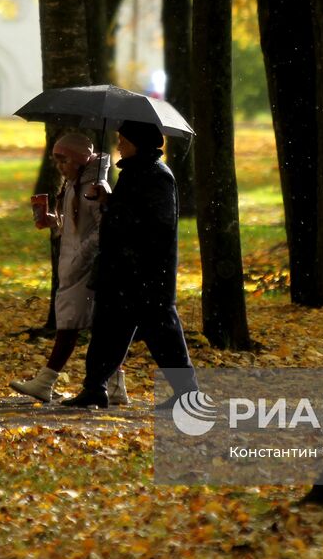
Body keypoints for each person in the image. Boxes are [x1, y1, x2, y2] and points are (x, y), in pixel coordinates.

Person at [64, 120, 198, 409]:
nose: (118, 145)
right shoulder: (135, 173)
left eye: (122, 140)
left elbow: (156, 224)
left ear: (137, 142)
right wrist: (109, 200)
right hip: (123, 270)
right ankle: (94, 388)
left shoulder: (157, 176)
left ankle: (187, 394)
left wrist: (118, 211)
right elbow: (130, 211)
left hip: (147, 273)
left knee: (163, 333)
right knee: (108, 328)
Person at [10, 133, 128, 404]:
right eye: (56, 161)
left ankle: (45, 381)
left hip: (85, 268)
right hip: (72, 266)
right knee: (90, 326)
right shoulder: (72, 186)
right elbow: (76, 227)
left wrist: (81, 257)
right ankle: (116, 383)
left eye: (64, 160)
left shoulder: (94, 188)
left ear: (79, 160)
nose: (60, 166)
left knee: (71, 325)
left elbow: (102, 230)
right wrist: (53, 221)